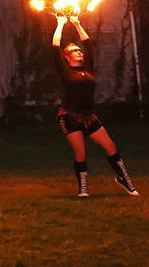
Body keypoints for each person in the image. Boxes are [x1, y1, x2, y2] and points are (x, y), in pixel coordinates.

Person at [52, 14, 139, 198]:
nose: (79, 52)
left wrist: (77, 23)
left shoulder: (87, 69)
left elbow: (88, 45)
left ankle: (125, 181)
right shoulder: (65, 71)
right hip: (68, 116)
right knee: (81, 153)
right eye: (75, 51)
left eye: (79, 50)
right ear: (66, 57)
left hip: (89, 115)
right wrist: (60, 24)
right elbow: (54, 48)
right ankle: (83, 188)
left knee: (110, 146)